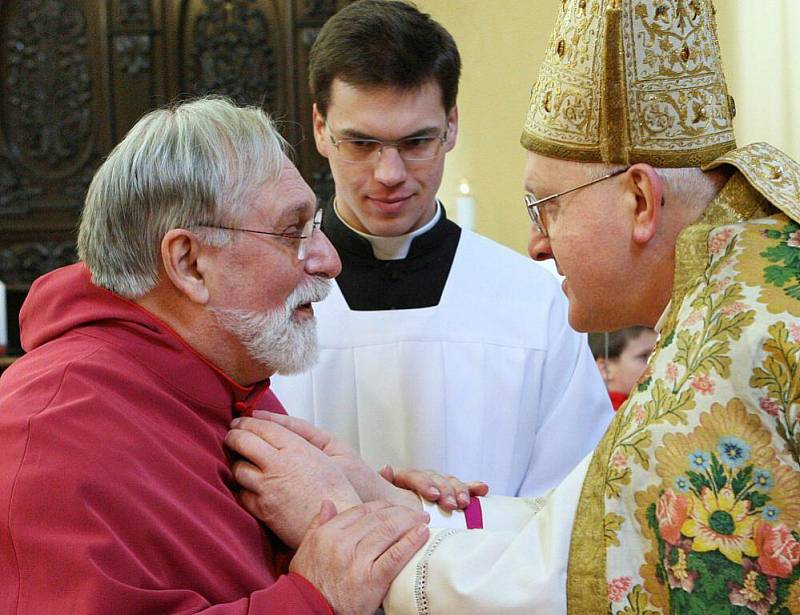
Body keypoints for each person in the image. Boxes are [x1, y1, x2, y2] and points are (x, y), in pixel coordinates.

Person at [227, 0, 800, 612]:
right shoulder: (735, 309)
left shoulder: (731, 353)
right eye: (361, 142)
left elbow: (577, 573)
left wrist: (344, 519)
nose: (536, 244)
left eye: (546, 204)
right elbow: (586, 532)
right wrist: (387, 499)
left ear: (641, 199)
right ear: (320, 128)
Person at [0, 96, 435, 614]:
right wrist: (314, 599)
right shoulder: (50, 432)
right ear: (189, 263)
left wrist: (376, 508)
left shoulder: (223, 374)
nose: (329, 260)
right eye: (293, 231)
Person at [270, 0, 612, 498]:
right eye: (361, 143)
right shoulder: (264, 297)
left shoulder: (533, 304)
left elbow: (574, 506)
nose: (390, 174)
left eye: (416, 142)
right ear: (321, 128)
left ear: (451, 126)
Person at [588, 327, 657, 410]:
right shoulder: (604, 417)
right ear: (606, 369)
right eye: (645, 356)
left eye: (658, 353)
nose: (657, 362)